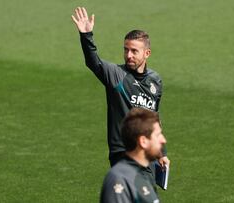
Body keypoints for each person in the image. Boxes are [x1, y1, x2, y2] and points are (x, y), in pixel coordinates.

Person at [71, 7, 170, 167]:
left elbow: (154, 119)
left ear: (147, 53)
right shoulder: (116, 74)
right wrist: (86, 35)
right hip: (124, 154)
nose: (128, 55)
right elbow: (93, 62)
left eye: (134, 51)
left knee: (147, 192)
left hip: (147, 154)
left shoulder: (155, 81)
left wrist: (161, 152)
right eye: (126, 50)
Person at [100, 108, 166, 203]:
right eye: (158, 135)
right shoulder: (120, 179)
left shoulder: (143, 175)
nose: (164, 140)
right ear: (143, 141)